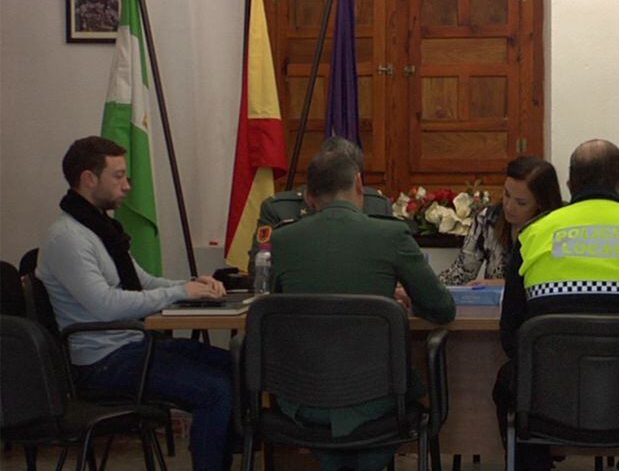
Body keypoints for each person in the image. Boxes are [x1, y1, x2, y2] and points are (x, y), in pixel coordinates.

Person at [37, 136, 232, 471]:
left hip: (132, 347)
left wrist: (191, 284)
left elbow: (142, 282)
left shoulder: (100, 228)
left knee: (236, 365)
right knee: (215, 391)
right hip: (101, 364)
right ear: (89, 179)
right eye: (119, 176)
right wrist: (180, 293)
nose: (127, 186)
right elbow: (106, 305)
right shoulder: (68, 237)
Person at [497, 139, 619, 471]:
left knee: (506, 384)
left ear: (571, 184)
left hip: (548, 405)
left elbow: (510, 335)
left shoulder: (533, 235)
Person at [270, 145, 456, 471]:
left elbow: (279, 309)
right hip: (379, 402)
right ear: (359, 184)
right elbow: (442, 309)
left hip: (302, 400)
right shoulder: (391, 234)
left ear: (309, 197)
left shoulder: (283, 241)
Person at [247, 135, 391, 269]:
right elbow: (259, 267)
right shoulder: (279, 209)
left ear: (357, 181)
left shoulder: (377, 206)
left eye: (343, 178)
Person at [441, 156, 563, 286]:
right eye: (507, 195)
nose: (509, 206)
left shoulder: (560, 227)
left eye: (521, 203)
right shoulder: (487, 219)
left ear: (540, 203)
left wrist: (505, 285)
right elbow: (460, 274)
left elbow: (556, 283)